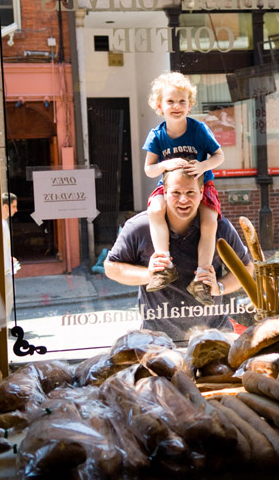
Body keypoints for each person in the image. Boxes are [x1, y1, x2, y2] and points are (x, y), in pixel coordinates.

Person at [105, 168, 253, 344]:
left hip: (215, 336)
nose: (183, 199)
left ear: (201, 194)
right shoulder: (140, 227)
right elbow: (111, 267)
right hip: (156, 341)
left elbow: (246, 268)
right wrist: (148, 274)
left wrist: (219, 287)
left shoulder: (220, 227)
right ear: (164, 193)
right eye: (176, 192)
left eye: (190, 192)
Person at [142, 71, 225, 305]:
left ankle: (201, 277)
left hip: (201, 185)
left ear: (190, 105)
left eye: (182, 101)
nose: (176, 106)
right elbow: (149, 169)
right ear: (160, 105)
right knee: (155, 210)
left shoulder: (198, 130)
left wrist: (203, 165)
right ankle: (165, 265)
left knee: (210, 221)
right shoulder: (157, 135)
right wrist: (165, 164)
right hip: (170, 188)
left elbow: (219, 156)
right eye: (170, 101)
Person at [1, 192, 19, 321]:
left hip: (7, 270)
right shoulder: (1, 225)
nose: (16, 210)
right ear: (5, 207)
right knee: (5, 304)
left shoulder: (4, 224)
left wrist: (9, 258)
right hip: (4, 273)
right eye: (14, 206)